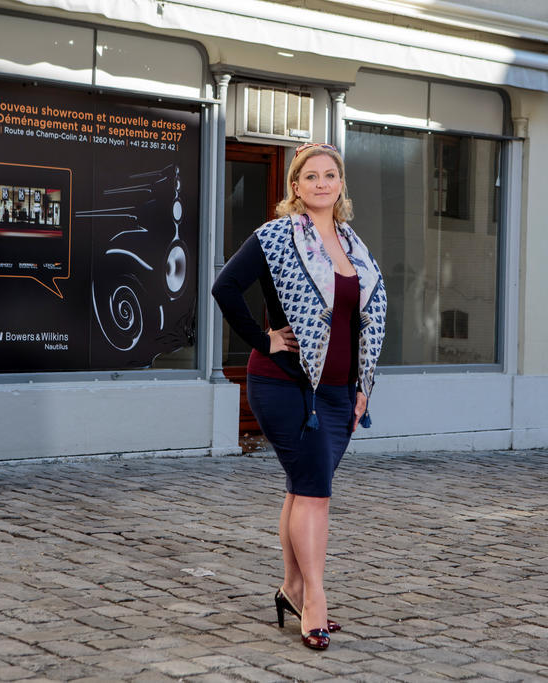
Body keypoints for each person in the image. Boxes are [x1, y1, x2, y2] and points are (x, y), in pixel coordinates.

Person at [212, 142, 386, 650]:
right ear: (295, 186)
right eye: (311, 176)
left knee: (301, 489)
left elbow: (359, 325)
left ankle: (291, 589)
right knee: (315, 494)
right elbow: (225, 288)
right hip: (285, 384)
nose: (322, 184)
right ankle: (315, 600)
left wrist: (361, 390)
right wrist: (263, 337)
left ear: (341, 184)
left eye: (330, 175)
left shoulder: (354, 246)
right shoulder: (275, 237)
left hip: (337, 392)